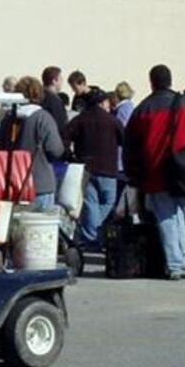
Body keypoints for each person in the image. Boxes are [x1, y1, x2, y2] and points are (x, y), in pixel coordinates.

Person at [123, 64, 185, 280]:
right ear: (171, 80)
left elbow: (131, 147)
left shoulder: (142, 109)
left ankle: (174, 265)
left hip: (157, 173)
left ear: (151, 82)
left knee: (167, 219)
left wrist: (133, 175)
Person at [65, 89, 123, 248]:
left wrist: (70, 157)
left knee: (90, 203)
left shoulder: (80, 120)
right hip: (108, 168)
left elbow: (64, 138)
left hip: (86, 167)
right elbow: (125, 140)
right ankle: (94, 234)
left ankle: (91, 236)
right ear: (103, 103)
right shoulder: (112, 120)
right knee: (109, 202)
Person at [0, 76, 65, 211]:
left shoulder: (8, 118)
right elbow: (56, 150)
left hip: (13, 183)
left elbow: (1, 148)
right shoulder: (42, 117)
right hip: (40, 183)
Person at [40, 66, 69, 136]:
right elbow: (60, 125)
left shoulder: (39, 97)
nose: (62, 82)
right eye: (61, 79)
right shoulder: (54, 101)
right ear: (54, 80)